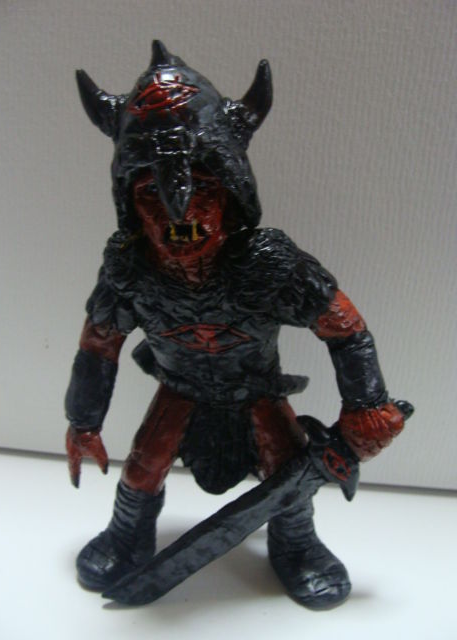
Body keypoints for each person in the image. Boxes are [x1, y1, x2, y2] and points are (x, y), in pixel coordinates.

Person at [65, 41, 409, 609]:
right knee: (145, 465)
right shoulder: (129, 269)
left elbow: (345, 328)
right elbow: (99, 343)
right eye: (151, 192)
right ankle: (128, 534)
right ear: (129, 200)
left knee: (285, 467)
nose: (179, 215)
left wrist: (366, 404)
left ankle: (295, 543)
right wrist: (83, 420)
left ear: (231, 192)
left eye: (203, 187)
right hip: (180, 386)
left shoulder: (269, 264)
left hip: (255, 387)